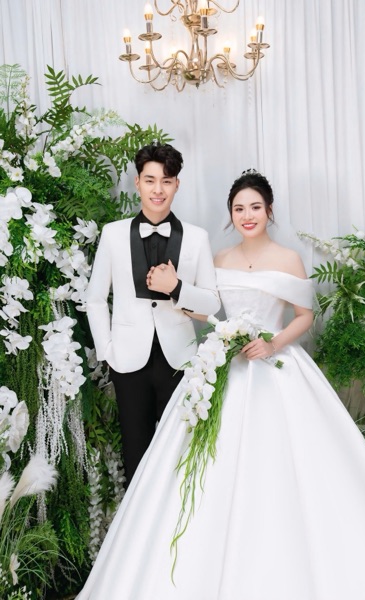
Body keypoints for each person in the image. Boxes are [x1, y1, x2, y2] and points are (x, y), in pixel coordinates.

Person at [78, 170, 365, 599]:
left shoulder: (289, 258)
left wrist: (273, 343)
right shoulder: (220, 258)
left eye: (255, 207)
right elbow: (207, 310)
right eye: (238, 209)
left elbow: (304, 316)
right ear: (230, 215)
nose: (247, 215)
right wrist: (178, 291)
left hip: (277, 367)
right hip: (224, 365)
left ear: (269, 211)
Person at [86, 142, 220, 485]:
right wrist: (108, 352)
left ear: (177, 185)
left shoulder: (197, 238)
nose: (158, 189)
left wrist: (176, 287)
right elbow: (95, 299)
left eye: (166, 181)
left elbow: (212, 303)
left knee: (182, 454)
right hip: (128, 362)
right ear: (138, 183)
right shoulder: (113, 234)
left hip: (180, 361)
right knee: (136, 454)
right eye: (150, 180)